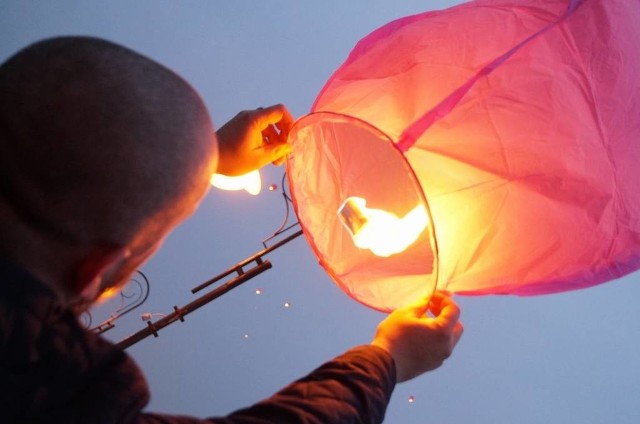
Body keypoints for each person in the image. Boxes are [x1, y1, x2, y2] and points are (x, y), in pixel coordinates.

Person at [0, 36, 463, 423]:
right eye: (149, 245)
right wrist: (387, 359)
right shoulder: (37, 396)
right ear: (96, 270)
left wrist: (200, 159)